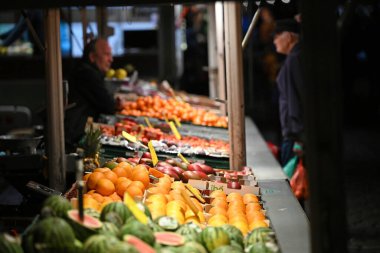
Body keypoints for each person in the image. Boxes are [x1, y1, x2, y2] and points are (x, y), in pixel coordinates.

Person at [64, 38, 116, 152]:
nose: (111, 59)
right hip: (75, 137)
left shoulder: (88, 71)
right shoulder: (86, 74)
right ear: (92, 57)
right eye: (107, 54)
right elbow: (109, 106)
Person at [273, 18, 304, 167]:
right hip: (294, 134)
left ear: (289, 37)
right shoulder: (296, 57)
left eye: (277, 35)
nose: (274, 41)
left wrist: (299, 138)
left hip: (294, 137)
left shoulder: (294, 59)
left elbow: (296, 100)